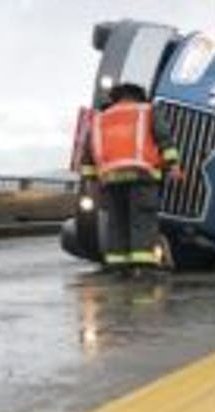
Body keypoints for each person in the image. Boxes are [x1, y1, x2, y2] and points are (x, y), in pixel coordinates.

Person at [79, 83, 183, 272]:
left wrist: (91, 182)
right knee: (142, 219)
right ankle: (143, 266)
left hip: (110, 179)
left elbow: (87, 155)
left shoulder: (100, 119)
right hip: (141, 175)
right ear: (139, 96)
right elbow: (163, 138)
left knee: (117, 222)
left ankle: (118, 265)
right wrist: (173, 164)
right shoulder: (146, 111)